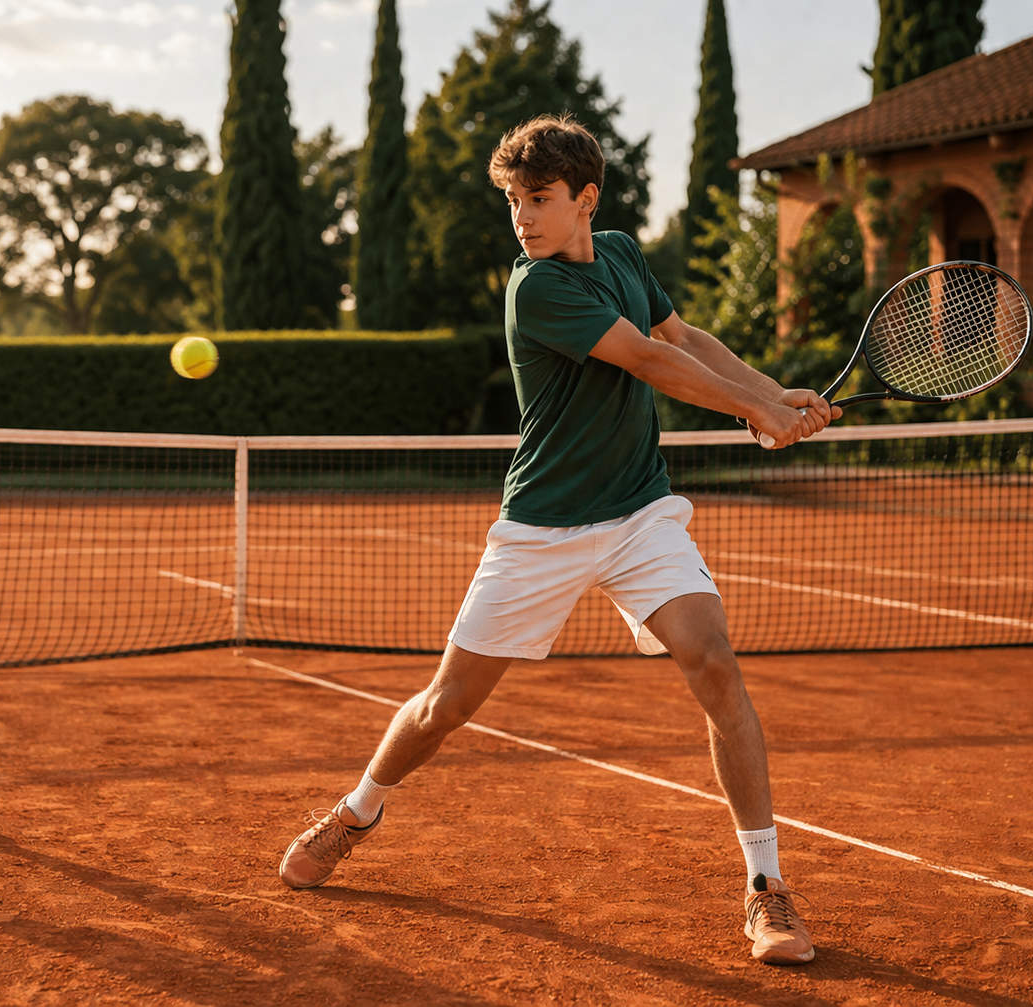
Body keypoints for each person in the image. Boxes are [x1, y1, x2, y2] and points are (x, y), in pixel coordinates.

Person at [278, 115, 838, 965]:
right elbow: (646, 363)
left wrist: (774, 393)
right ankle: (358, 807)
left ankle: (765, 888)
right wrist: (756, 412)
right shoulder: (534, 289)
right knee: (445, 707)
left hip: (640, 512)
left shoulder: (617, 253)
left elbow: (680, 338)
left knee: (713, 660)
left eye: (537, 199)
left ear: (586, 199)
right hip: (542, 527)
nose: (522, 217)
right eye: (512, 201)